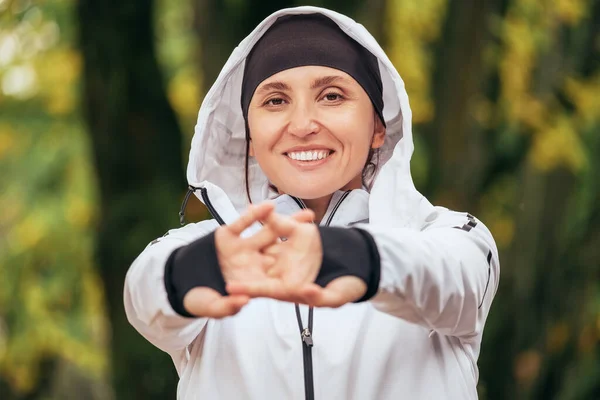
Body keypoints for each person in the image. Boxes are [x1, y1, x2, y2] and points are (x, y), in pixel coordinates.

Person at [124, 6, 499, 400]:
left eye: (332, 96)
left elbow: (458, 280)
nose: (302, 125)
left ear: (377, 127)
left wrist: (355, 258)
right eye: (275, 101)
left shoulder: (447, 236)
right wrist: (198, 271)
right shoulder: (215, 248)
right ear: (249, 138)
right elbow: (143, 290)